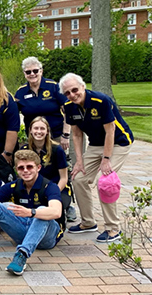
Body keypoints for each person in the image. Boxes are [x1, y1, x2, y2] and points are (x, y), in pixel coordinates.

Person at [60, 73, 133, 242]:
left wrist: (106, 159)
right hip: (95, 144)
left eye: (75, 90)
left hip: (119, 142)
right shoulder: (69, 106)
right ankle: (88, 222)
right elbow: (77, 135)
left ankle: (113, 229)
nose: (72, 95)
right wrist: (79, 160)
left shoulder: (101, 101)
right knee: (78, 179)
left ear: (83, 87)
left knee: (105, 181)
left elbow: (111, 131)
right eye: (67, 93)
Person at [20, 117, 75, 221]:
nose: (39, 132)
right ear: (30, 130)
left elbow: (64, 178)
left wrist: (53, 193)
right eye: (36, 128)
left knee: (51, 210)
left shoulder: (57, 149)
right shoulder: (24, 150)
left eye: (42, 129)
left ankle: (66, 209)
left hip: (56, 188)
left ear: (47, 131)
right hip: (35, 188)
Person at [15, 57, 71, 149]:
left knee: (62, 161)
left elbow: (68, 110)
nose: (32, 74)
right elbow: (13, 114)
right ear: (24, 74)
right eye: (28, 72)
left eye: (35, 71)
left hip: (57, 135)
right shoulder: (20, 92)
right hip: (34, 138)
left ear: (41, 71)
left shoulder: (53, 86)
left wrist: (66, 135)